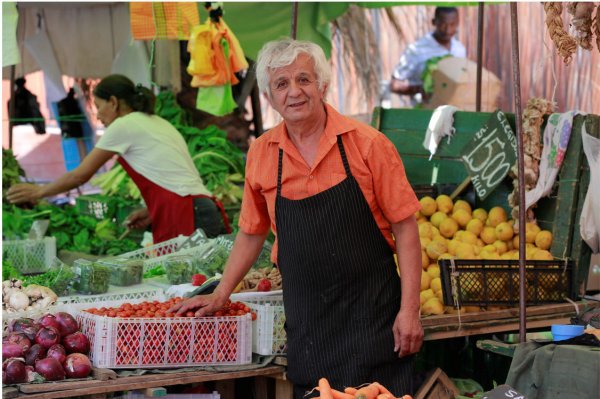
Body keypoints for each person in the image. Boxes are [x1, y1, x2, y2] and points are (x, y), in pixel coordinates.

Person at [170, 39, 423, 398]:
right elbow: (251, 232)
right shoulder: (261, 152)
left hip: (373, 321)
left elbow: (406, 229)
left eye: (303, 80)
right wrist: (220, 293)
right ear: (270, 97)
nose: (294, 92)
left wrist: (409, 311)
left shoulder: (368, 145)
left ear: (322, 85)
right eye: (282, 84)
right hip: (309, 329)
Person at [7, 74, 229, 243]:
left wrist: (39, 191)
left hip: (188, 213)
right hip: (201, 208)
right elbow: (178, 179)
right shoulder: (156, 121)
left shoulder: (123, 125)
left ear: (113, 102)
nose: (98, 114)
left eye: (99, 106)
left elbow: (80, 175)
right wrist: (152, 211)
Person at [390, 7, 466, 105]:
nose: (448, 30)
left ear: (458, 23)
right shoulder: (416, 50)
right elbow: (394, 85)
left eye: (452, 24)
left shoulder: (460, 49)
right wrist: (420, 89)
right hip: (423, 112)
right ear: (434, 22)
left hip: (453, 110)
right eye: (443, 24)